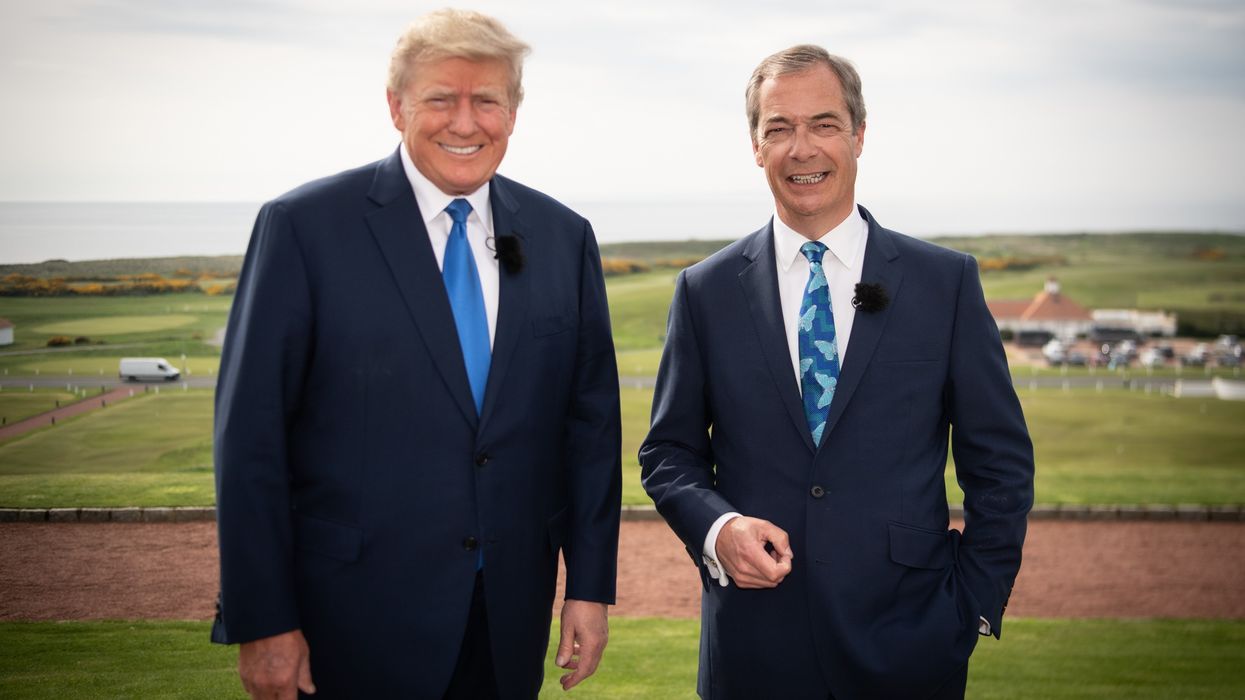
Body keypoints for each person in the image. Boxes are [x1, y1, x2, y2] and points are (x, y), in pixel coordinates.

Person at [211, 10, 621, 699]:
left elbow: (590, 430)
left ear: (512, 113)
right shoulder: (303, 229)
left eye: (486, 100)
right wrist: (265, 620)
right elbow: (251, 438)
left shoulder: (562, 236)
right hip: (349, 623)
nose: (465, 122)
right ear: (396, 106)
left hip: (507, 624)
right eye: (440, 99)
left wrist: (588, 586)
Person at [639, 45, 1034, 699]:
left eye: (823, 124)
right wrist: (718, 528)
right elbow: (667, 454)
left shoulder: (946, 283)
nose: (802, 149)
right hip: (753, 650)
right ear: (755, 145)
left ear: (858, 135)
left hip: (911, 648)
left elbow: (1000, 464)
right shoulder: (704, 291)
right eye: (779, 128)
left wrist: (972, 605)